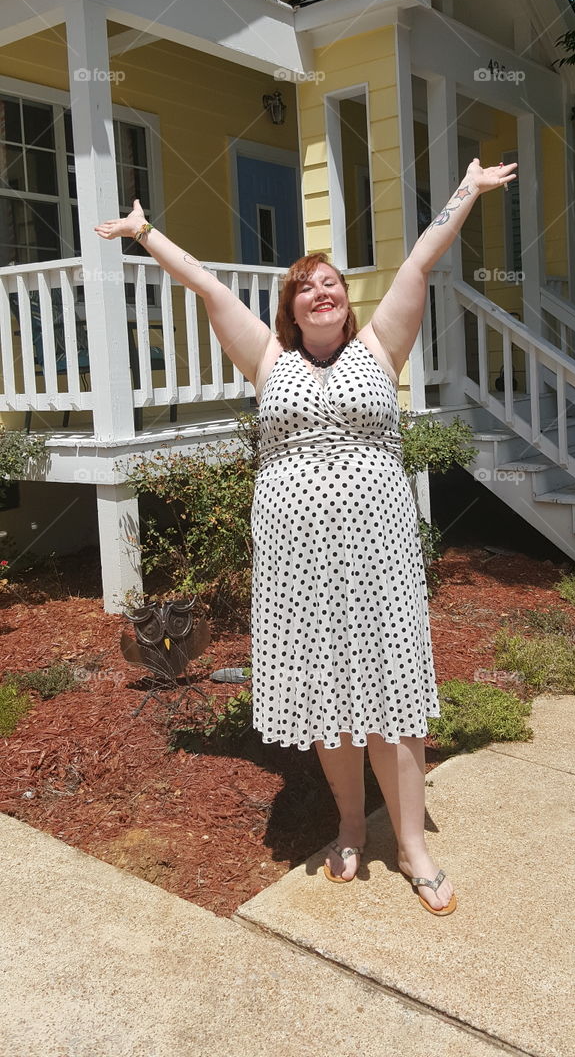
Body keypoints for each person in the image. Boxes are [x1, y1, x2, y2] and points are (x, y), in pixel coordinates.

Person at [94, 154, 517, 915]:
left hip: (378, 551)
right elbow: (208, 286)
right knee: (328, 696)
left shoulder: (379, 349)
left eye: (329, 283)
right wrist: (144, 232)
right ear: (290, 308)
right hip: (296, 558)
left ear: (345, 304)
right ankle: (352, 827)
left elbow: (421, 257)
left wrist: (466, 190)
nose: (318, 291)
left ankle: (413, 846)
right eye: (303, 286)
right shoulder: (266, 360)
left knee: (387, 693)